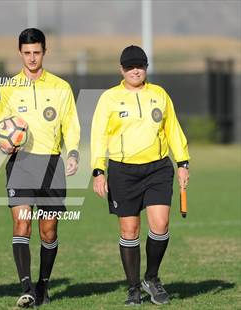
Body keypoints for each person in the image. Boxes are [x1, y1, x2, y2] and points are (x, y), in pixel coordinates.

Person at [91, 45, 190, 306]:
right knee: (130, 229)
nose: (135, 70)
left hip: (158, 168)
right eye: (130, 66)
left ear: (146, 67)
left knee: (160, 224)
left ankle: (152, 278)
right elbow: (99, 135)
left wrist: (183, 163)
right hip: (123, 171)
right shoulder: (109, 98)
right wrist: (98, 170)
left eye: (140, 66)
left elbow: (173, 130)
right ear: (121, 69)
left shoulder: (159, 94)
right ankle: (134, 288)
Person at [0, 28, 80, 308]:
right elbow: (0, 126)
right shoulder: (8, 88)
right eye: (27, 53)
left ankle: (43, 283)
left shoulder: (61, 87)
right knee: (21, 224)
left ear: (44, 52)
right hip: (21, 163)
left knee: (49, 231)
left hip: (51, 163)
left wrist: (74, 152)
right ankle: (26, 287)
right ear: (20, 53)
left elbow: (71, 124)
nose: (32, 58)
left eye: (37, 52)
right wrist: (3, 143)